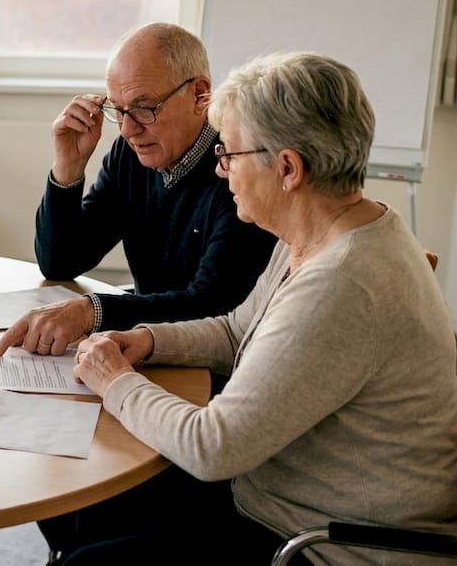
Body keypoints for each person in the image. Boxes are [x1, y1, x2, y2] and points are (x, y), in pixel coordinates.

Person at [64, 52, 457, 565]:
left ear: (288, 168)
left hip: (321, 542)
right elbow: (236, 332)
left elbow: (212, 447)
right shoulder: (330, 229)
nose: (221, 170)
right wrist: (148, 339)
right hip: (274, 492)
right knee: (83, 499)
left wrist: (114, 378)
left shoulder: (339, 284)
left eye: (228, 154)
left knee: (92, 552)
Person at [0, 22, 276, 357]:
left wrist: (92, 311)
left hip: (213, 362)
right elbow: (61, 262)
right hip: (145, 346)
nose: (128, 129)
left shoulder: (238, 168)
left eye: (145, 107)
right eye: (118, 109)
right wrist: (68, 169)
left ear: (200, 94)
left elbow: (212, 307)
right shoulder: (131, 155)